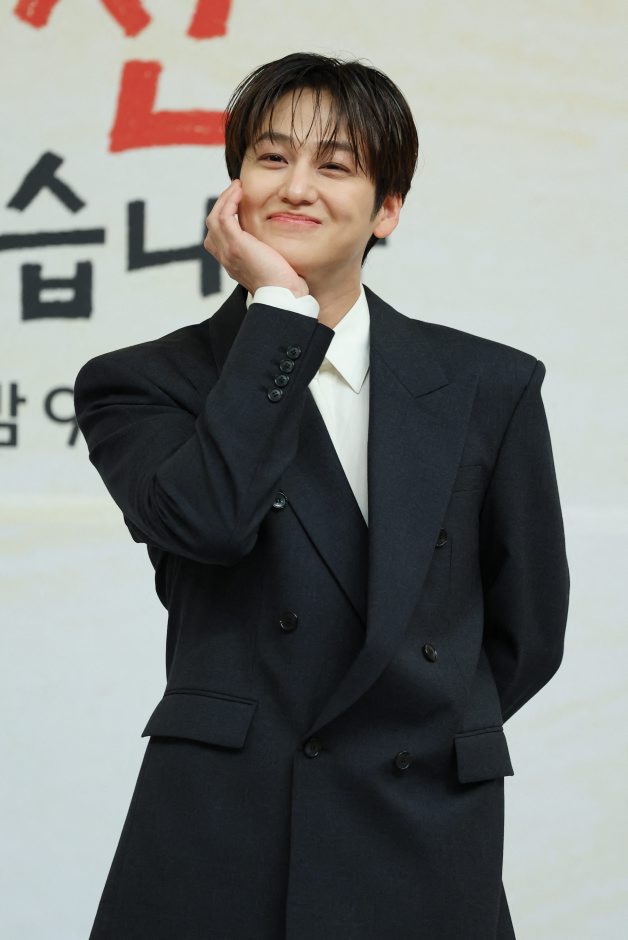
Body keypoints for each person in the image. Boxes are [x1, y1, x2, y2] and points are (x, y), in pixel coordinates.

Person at [74, 52, 569, 940]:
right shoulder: (143, 382)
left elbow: (527, 631)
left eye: (335, 165)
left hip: (421, 825)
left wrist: (422, 723)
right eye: (271, 158)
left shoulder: (487, 385)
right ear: (234, 187)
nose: (296, 186)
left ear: (387, 209)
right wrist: (277, 310)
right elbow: (210, 522)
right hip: (223, 829)